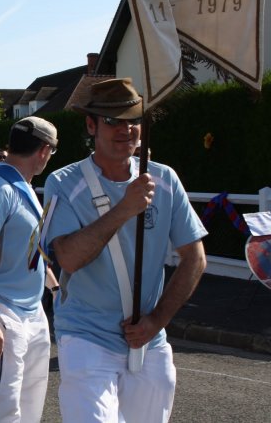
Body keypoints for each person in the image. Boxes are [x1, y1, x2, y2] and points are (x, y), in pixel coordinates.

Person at [43, 78, 207, 422]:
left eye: (134, 120)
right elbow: (68, 259)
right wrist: (124, 209)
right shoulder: (64, 182)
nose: (126, 130)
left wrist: (157, 321)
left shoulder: (164, 179)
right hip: (85, 336)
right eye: (113, 121)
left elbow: (195, 258)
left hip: (148, 339)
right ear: (91, 125)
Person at [0, 116, 59, 422]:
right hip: (3, 310)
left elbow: (30, 248)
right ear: (44, 150)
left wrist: (54, 287)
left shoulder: (22, 185)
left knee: (30, 401)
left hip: (30, 310)